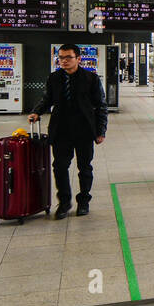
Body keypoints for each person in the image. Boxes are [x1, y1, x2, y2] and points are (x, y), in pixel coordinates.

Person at [29, 43, 108, 218]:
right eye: (61, 58)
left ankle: (84, 201)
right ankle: (64, 202)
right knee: (59, 167)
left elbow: (101, 106)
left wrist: (101, 130)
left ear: (78, 59)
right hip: (60, 129)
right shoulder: (54, 78)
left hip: (84, 130)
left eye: (68, 58)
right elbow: (47, 99)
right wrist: (36, 111)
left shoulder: (91, 79)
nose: (63, 61)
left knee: (85, 167)